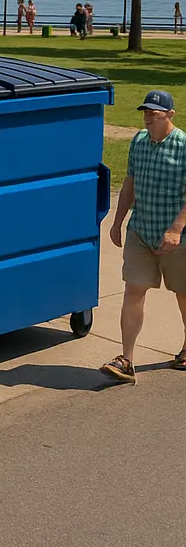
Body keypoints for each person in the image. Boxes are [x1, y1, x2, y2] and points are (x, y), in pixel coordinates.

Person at [101, 90, 186, 384]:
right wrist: (118, 220)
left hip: (177, 236)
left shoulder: (184, 146)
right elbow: (129, 184)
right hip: (141, 230)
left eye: (154, 112)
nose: (148, 117)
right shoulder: (138, 142)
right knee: (133, 291)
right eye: (145, 112)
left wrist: (176, 230)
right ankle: (127, 360)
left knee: (184, 295)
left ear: (170, 115)